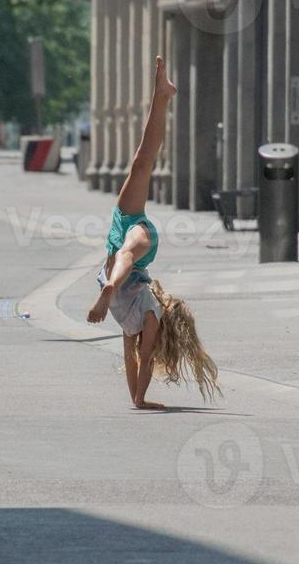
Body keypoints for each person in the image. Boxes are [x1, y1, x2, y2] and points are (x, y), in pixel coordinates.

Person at [87, 57, 220, 410]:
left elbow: (135, 361)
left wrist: (138, 400)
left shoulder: (140, 322)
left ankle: (161, 96)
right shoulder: (144, 322)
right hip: (126, 256)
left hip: (121, 249)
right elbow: (141, 361)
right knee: (140, 169)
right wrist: (140, 399)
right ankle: (161, 97)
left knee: (140, 164)